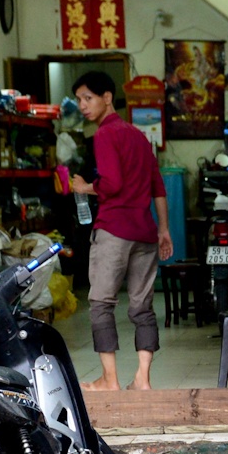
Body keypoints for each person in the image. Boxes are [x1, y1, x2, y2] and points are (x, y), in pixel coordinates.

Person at [67, 71, 172, 391]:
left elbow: (112, 184)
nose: (83, 106)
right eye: (79, 100)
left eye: (88, 98)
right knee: (141, 305)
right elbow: (158, 188)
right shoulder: (140, 137)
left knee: (100, 302)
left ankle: (109, 380)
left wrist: (85, 187)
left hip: (114, 230)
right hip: (145, 232)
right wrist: (164, 230)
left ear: (107, 98)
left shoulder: (104, 135)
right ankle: (143, 377)